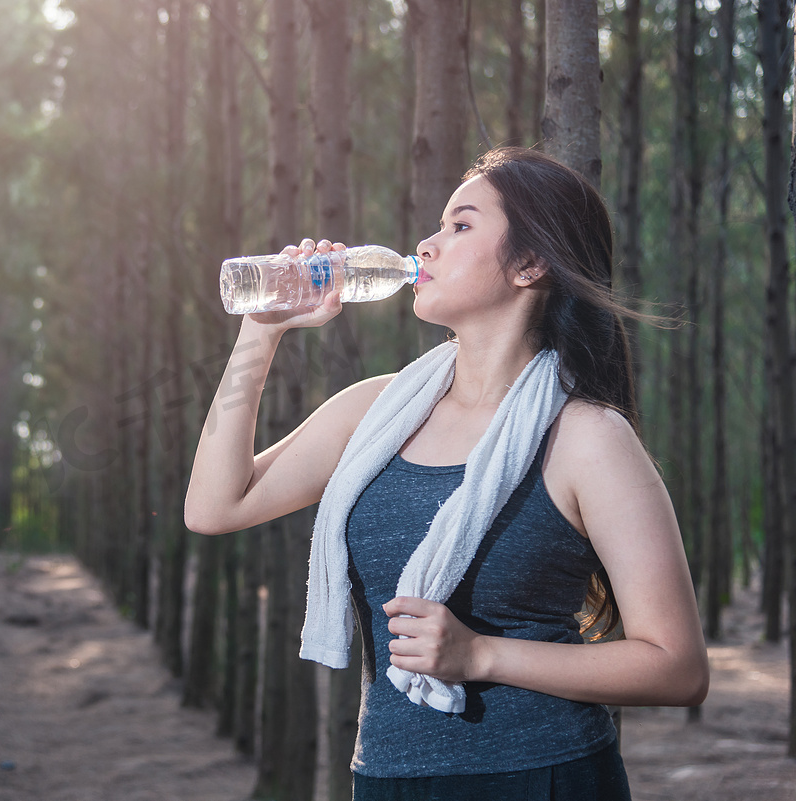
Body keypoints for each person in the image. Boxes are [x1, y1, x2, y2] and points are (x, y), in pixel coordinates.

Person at [184, 147, 708, 800]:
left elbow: (677, 666)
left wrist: (481, 655)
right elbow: (214, 505)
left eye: (460, 226)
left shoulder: (587, 438)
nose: (426, 245)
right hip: (386, 776)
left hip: (542, 776)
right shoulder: (375, 412)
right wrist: (259, 334)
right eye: (436, 226)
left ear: (529, 262)